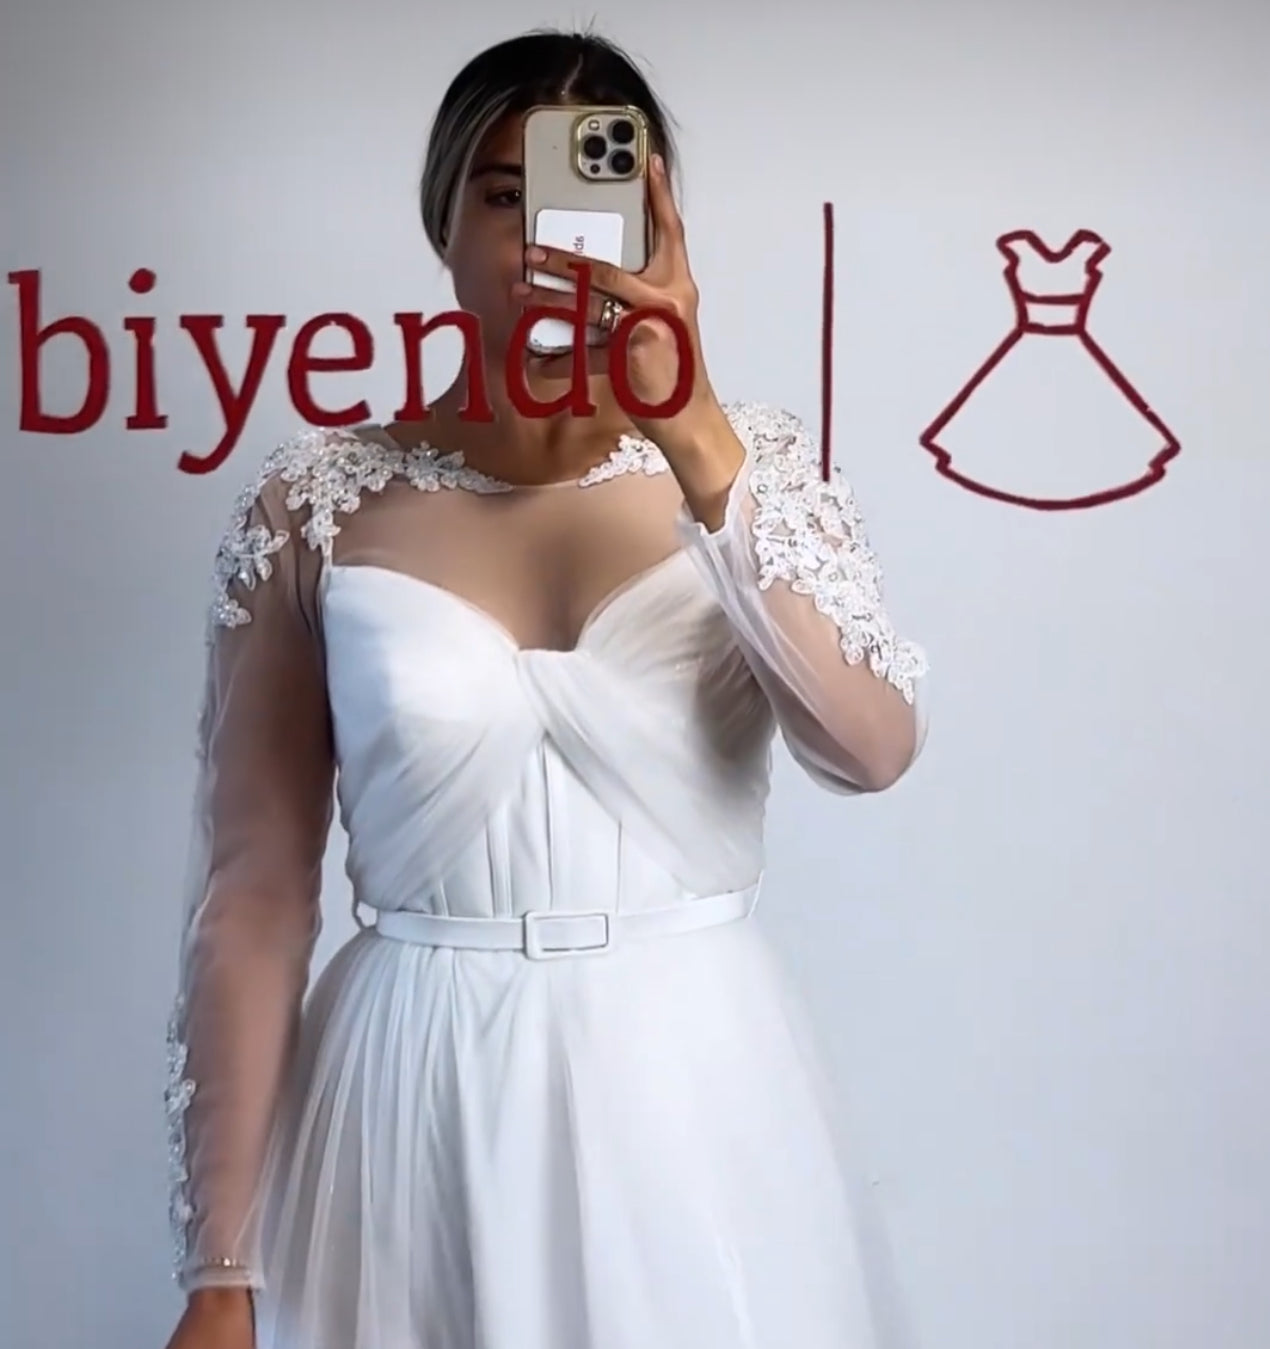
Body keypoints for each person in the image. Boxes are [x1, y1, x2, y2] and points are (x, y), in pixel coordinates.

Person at [162, 27, 928, 1349]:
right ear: (441, 223)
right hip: (405, 1092)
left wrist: (698, 440)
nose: (541, 244)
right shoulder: (315, 502)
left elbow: (868, 749)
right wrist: (220, 1272)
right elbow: (256, 895)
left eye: (586, 196)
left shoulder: (760, 468)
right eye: (502, 195)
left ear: (657, 226)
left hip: (686, 1087)